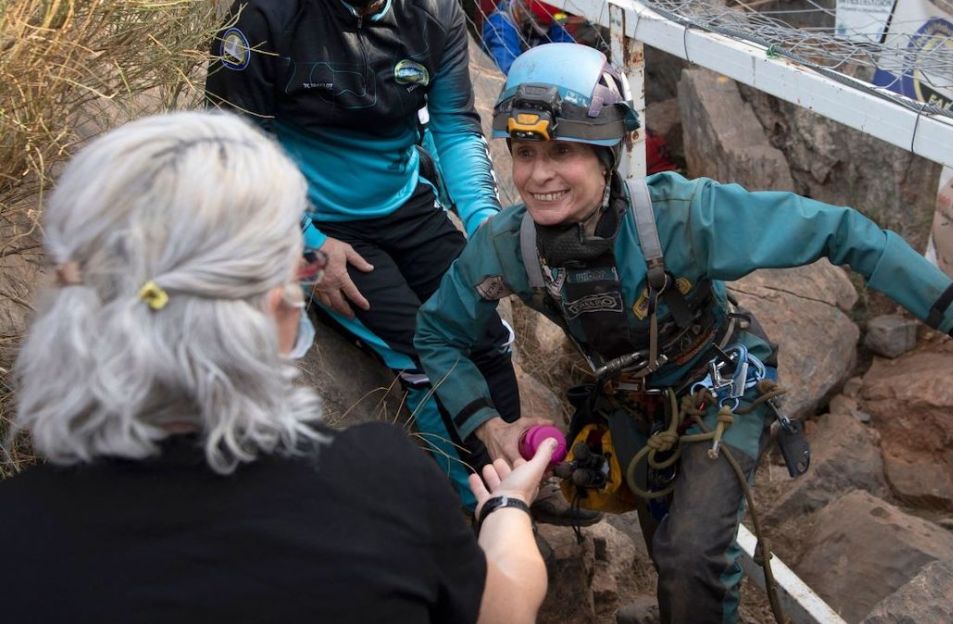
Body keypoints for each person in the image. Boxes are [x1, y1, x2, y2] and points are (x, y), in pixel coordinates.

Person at [414, 43, 953, 623]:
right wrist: (488, 424)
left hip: (720, 389)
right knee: (668, 545)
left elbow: (841, 229)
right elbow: (437, 334)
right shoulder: (508, 249)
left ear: (607, 155)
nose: (538, 175)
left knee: (692, 556)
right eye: (524, 153)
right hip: (630, 408)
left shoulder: (682, 219)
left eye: (562, 151)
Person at [0, 111, 550, 624]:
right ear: (276, 312)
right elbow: (505, 609)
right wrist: (505, 510)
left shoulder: (18, 530)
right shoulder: (379, 483)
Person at [202, 0, 592, 524]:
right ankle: (476, 502)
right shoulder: (264, 17)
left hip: (406, 202)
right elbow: (230, 146)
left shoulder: (437, 12)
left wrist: (485, 227)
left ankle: (519, 473)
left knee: (485, 330)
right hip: (314, 218)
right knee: (419, 347)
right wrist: (302, 243)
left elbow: (453, 126)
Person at [481, 0, 577, 75]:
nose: (545, 26)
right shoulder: (500, 25)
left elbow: (568, 54)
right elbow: (508, 71)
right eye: (540, 22)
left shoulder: (552, 19)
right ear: (524, 9)